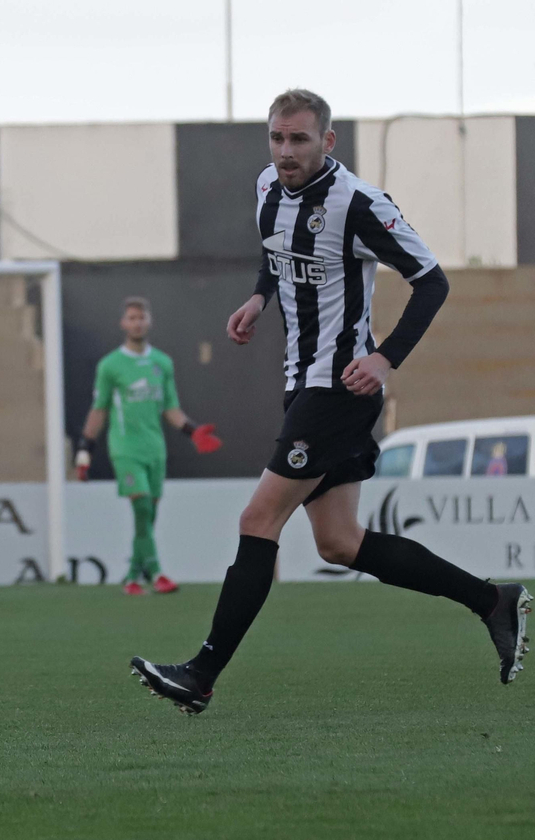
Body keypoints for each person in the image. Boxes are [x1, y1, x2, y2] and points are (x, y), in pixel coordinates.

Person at [130, 88, 530, 714]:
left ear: (327, 141)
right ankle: (493, 601)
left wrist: (384, 357)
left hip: (338, 388)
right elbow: (277, 256)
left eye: (299, 140)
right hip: (301, 382)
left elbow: (432, 281)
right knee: (340, 543)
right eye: (277, 138)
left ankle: (201, 675)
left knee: (257, 520)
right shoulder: (267, 187)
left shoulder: (359, 204)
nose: (285, 152)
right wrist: (259, 299)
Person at [75, 296, 221, 595]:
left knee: (148, 518)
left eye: (141, 317)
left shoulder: (162, 362)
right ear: (123, 323)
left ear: (149, 321)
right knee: (142, 507)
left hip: (155, 448)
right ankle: (156, 574)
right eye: (131, 318)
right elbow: (99, 409)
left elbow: (171, 408)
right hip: (125, 448)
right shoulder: (110, 366)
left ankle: (131, 576)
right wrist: (84, 450)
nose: (136, 323)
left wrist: (193, 431)